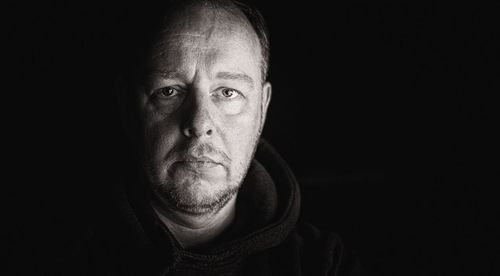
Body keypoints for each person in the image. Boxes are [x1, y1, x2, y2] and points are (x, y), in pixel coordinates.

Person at [51, 0, 362, 275]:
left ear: (262, 109)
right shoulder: (51, 255)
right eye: (169, 91)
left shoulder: (322, 265)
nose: (199, 123)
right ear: (127, 108)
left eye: (228, 92)